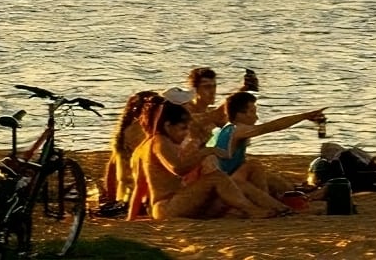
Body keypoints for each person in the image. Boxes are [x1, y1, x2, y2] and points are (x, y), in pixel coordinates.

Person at [127, 100, 282, 219]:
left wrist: (131, 218)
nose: (185, 133)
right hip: (168, 206)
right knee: (217, 178)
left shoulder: (149, 145)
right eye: (183, 129)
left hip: (178, 203)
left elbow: (140, 186)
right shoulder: (160, 141)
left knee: (236, 186)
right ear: (168, 126)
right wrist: (207, 151)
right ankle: (253, 210)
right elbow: (178, 169)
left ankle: (279, 208)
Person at [209, 90, 325, 198]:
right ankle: (270, 199)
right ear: (240, 114)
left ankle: (294, 191)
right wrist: (305, 116)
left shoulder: (229, 128)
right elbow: (273, 126)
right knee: (256, 165)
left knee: (273, 178)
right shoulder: (238, 129)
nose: (256, 116)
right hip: (228, 181)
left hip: (232, 175)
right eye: (252, 112)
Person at [101, 90, 164, 209]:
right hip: (138, 198)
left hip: (124, 196)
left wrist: (111, 197)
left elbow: (111, 169)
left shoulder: (125, 131)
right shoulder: (141, 132)